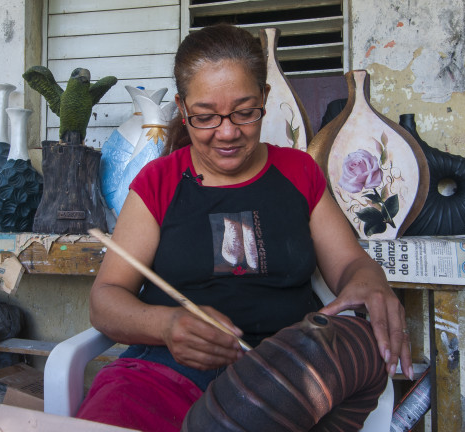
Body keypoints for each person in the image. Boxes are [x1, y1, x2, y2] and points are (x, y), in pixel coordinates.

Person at [76, 24, 412, 432]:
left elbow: (349, 264)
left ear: (264, 98)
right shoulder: (158, 181)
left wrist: (371, 282)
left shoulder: (298, 171)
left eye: (245, 112)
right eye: (205, 117)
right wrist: (166, 325)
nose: (227, 132)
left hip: (285, 376)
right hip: (167, 371)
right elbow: (105, 301)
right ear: (182, 108)